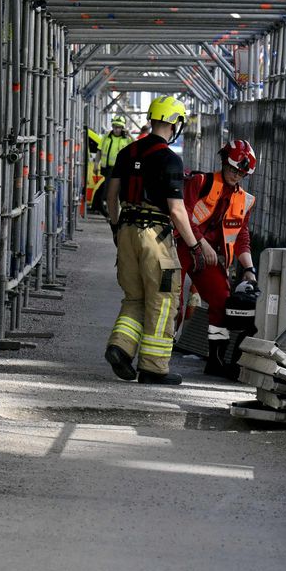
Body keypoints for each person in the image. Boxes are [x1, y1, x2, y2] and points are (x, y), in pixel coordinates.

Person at [103, 96, 216, 385]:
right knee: (163, 299)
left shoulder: (126, 152)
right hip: (155, 234)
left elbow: (111, 195)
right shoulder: (170, 160)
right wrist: (194, 244)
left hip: (126, 229)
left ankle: (121, 347)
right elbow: (177, 211)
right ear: (175, 123)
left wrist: (117, 229)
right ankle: (153, 366)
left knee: (134, 296)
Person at [179, 139, 259, 377]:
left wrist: (249, 270)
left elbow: (242, 236)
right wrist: (201, 243)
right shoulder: (200, 182)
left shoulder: (244, 200)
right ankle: (154, 359)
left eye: (242, 172)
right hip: (184, 247)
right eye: (234, 169)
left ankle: (215, 360)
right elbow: (183, 215)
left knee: (222, 301)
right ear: (224, 162)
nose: (237, 175)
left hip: (208, 257)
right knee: (172, 302)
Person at [91, 116, 133, 215]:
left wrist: (130, 135)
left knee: (118, 192)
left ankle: (116, 213)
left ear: (123, 127)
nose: (117, 129)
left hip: (122, 170)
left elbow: (137, 145)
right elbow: (99, 150)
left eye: (119, 127)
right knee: (109, 192)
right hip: (108, 169)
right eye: (115, 126)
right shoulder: (106, 137)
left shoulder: (126, 139)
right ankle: (111, 213)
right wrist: (96, 164)